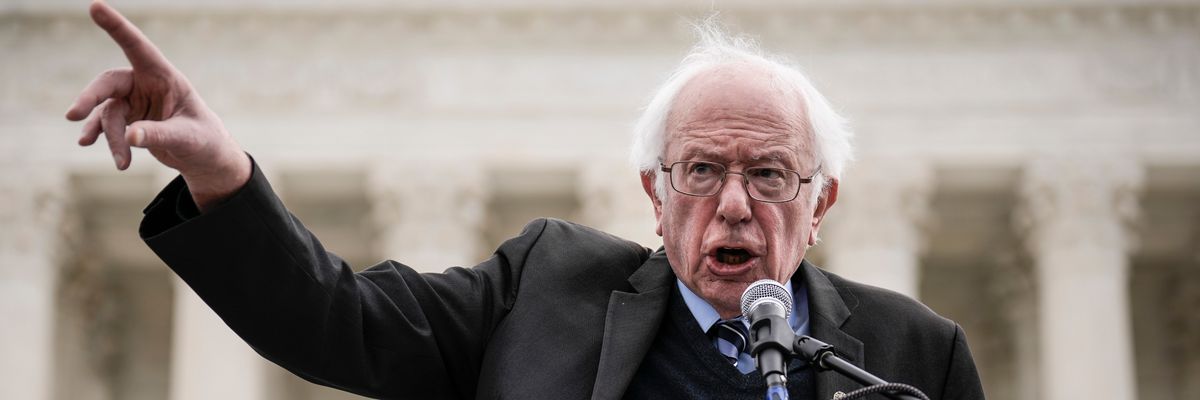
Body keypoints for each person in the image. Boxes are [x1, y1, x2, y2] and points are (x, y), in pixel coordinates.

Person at [67, 1, 985, 399]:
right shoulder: (544, 292)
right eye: (702, 171)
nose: (735, 205)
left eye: (771, 175)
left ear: (820, 204)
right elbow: (335, 320)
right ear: (655, 196)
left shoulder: (915, 356)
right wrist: (222, 175)